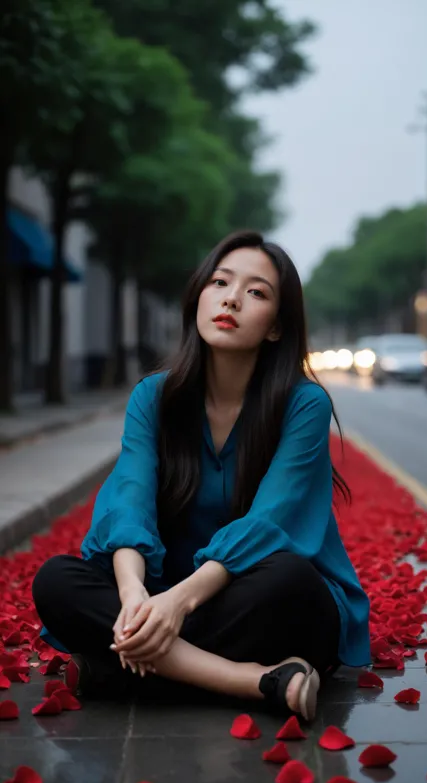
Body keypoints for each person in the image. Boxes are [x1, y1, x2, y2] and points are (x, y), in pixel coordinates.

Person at [32, 230, 370, 722]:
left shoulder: (304, 404)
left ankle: (119, 671)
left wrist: (177, 604)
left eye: (256, 292)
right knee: (56, 580)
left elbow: (271, 522)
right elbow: (130, 499)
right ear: (199, 297)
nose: (231, 298)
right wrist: (134, 598)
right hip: (171, 595)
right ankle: (254, 681)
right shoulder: (154, 397)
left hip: (256, 597)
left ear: (276, 327)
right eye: (220, 282)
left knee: (291, 580)